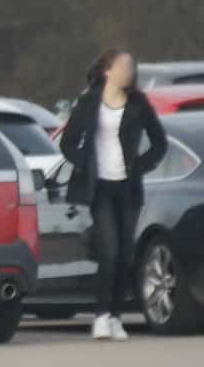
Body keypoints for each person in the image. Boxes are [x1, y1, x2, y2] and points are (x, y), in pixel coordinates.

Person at [57, 48, 168, 341]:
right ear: (108, 71)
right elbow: (67, 143)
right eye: (122, 66)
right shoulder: (89, 102)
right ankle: (102, 316)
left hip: (128, 189)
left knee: (126, 257)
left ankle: (117, 317)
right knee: (109, 252)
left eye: (131, 67)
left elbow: (159, 142)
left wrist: (141, 165)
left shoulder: (138, 103)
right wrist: (85, 163)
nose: (128, 72)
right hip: (100, 189)